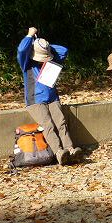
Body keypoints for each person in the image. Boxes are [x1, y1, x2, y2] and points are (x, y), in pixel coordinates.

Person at [17, 27, 82, 166]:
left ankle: (70, 150)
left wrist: (44, 45)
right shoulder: (27, 64)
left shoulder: (51, 61)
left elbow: (64, 50)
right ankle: (59, 152)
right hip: (35, 101)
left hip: (53, 98)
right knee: (48, 125)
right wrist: (30, 36)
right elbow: (22, 50)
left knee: (61, 122)